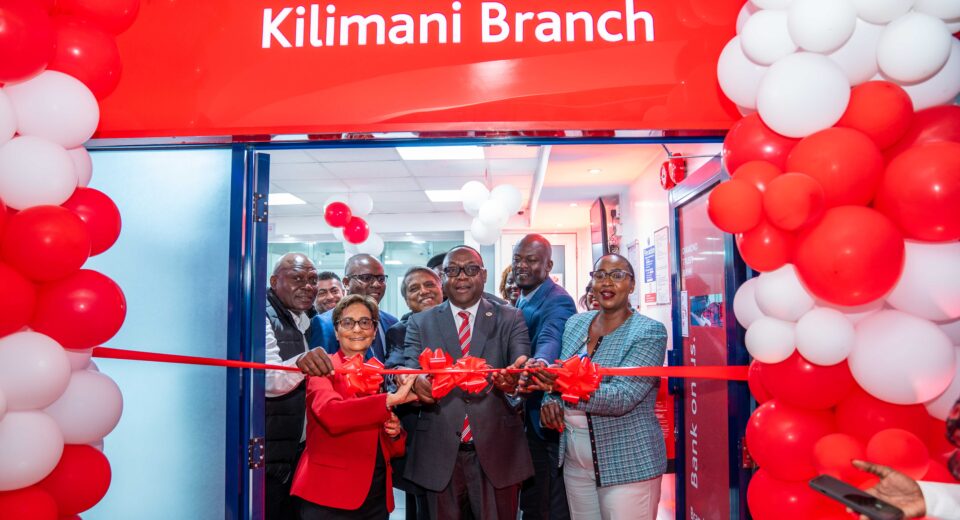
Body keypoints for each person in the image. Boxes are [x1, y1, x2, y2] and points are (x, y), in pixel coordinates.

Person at [401, 245, 535, 519]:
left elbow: (522, 366)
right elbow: (409, 367)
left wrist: (515, 381)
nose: (461, 277)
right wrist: (414, 382)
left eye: (471, 269)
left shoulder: (510, 317)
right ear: (443, 278)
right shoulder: (420, 322)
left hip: (497, 452)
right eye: (453, 270)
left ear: (483, 275)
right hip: (439, 454)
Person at [539, 254, 668, 520]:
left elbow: (622, 397)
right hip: (576, 462)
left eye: (617, 275)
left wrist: (561, 386)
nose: (607, 282)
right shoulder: (576, 324)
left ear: (632, 285)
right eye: (600, 275)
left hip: (627, 461)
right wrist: (549, 400)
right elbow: (558, 376)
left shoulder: (648, 332)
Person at [292, 294, 419, 519]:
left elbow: (389, 443)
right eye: (348, 322)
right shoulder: (323, 366)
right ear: (337, 330)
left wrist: (394, 433)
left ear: (373, 330)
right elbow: (331, 415)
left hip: (375, 492)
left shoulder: (378, 372)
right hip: (330, 492)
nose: (357, 329)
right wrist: (390, 400)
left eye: (365, 322)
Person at [264, 253, 336, 520]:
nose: (307, 286)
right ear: (274, 281)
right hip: (273, 453)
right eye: (297, 278)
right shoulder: (262, 316)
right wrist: (302, 362)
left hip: (303, 450)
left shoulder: (310, 319)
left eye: (312, 279)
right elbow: (268, 380)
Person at [512, 234, 577, 520]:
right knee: (534, 497)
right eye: (517, 259)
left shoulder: (558, 300)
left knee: (550, 501)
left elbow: (552, 337)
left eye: (531, 260)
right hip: (529, 413)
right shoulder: (523, 296)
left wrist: (540, 362)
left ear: (548, 265)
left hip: (547, 417)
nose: (522, 266)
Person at [384, 266, 444, 520]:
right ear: (406, 299)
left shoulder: (461, 320)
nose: (423, 292)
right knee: (423, 509)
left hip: (466, 432)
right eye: (414, 289)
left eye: (429, 284)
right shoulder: (399, 330)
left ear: (442, 288)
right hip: (421, 432)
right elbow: (396, 370)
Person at [310, 254, 398, 362]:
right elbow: (321, 369)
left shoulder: (391, 322)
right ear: (346, 283)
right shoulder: (325, 323)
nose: (376, 284)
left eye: (381, 279)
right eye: (366, 278)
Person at [428, 250, 509, 306]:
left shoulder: (502, 308)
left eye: (453, 271)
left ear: (484, 275)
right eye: (437, 279)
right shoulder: (429, 308)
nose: (462, 276)